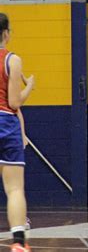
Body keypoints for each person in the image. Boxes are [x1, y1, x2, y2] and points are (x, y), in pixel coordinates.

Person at [0, 13, 35, 252]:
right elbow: (14, 102)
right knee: (14, 189)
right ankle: (18, 243)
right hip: (5, 122)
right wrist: (29, 86)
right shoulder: (12, 60)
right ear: (6, 34)